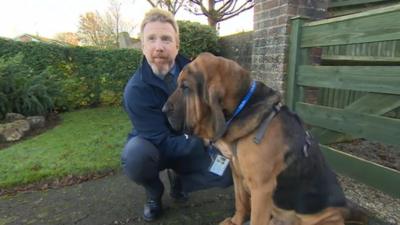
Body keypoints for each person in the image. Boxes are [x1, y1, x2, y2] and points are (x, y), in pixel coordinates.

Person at [121, 8, 232, 222]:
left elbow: (216, 107)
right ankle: (154, 193)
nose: (159, 46)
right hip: (159, 148)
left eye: (166, 39)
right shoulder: (135, 90)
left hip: (194, 141)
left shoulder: (198, 73)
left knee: (227, 170)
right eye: (151, 39)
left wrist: (222, 138)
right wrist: (206, 141)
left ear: (177, 45)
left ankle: (181, 180)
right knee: (135, 157)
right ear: (142, 46)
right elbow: (160, 140)